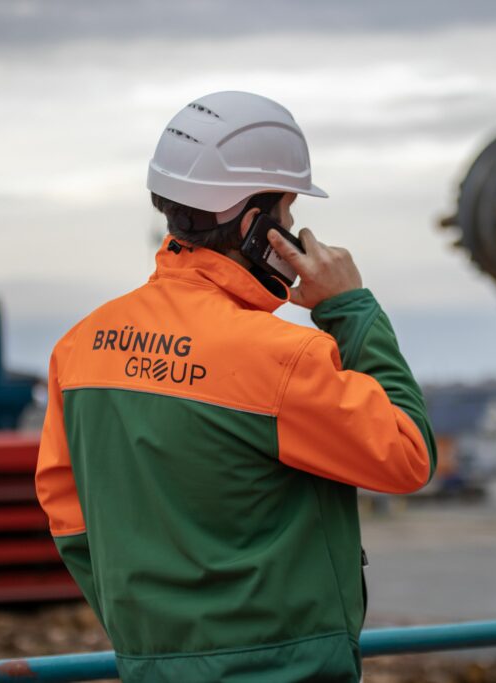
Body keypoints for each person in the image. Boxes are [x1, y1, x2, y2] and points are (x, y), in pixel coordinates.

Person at [35, 90, 436, 682]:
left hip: (152, 667)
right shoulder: (284, 359)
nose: (294, 229)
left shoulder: (81, 348)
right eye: (289, 212)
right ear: (256, 224)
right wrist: (351, 309)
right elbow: (408, 456)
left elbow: (68, 514)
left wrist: (154, 640)